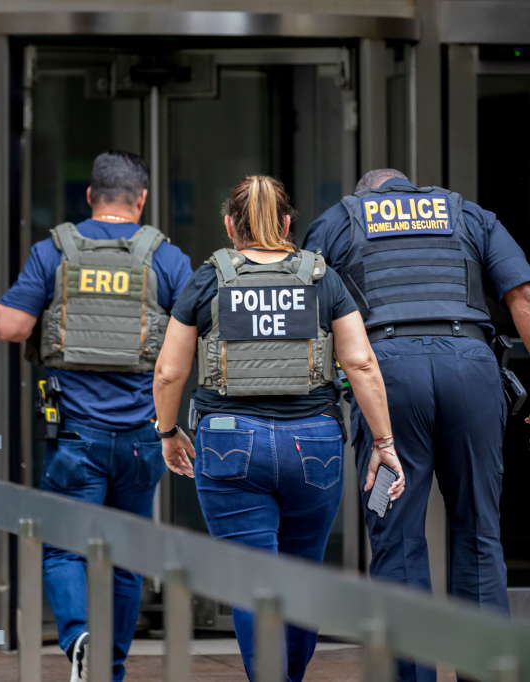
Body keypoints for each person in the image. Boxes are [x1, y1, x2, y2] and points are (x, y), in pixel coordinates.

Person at [302, 169, 530, 682]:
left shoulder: (341, 219)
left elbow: (308, 312)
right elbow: (525, 299)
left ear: (366, 196)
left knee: (397, 539)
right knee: (478, 531)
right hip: (470, 367)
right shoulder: (467, 214)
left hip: (386, 378)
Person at [152, 175, 405, 682]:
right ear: (288, 223)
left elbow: (169, 371)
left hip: (227, 442)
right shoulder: (321, 277)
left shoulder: (209, 279)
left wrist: (167, 431)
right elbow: (361, 365)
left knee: (252, 582)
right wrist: (383, 442)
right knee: (301, 575)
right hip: (313, 441)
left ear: (229, 226)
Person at [0, 150, 193, 682]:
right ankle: (109, 667)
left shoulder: (54, 251)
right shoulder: (166, 259)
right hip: (142, 437)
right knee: (125, 555)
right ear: (141, 198)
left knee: (65, 547)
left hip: (73, 435)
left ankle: (78, 635)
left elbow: (10, 327)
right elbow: (198, 332)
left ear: (90, 195)